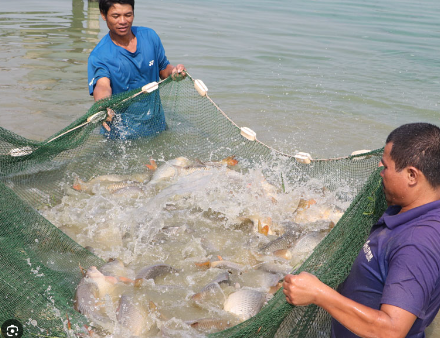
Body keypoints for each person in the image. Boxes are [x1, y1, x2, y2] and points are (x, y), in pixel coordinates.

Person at [283, 122, 440, 338]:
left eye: (385, 166)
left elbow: (391, 330)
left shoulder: (417, 244)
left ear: (412, 176)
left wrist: (319, 293)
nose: (379, 172)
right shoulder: (414, 209)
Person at [88, 0, 186, 139]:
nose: (123, 21)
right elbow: (102, 86)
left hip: (156, 125)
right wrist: (103, 106)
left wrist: (173, 72)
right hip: (121, 135)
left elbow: (163, 68)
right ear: (103, 15)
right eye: (116, 16)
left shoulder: (149, 36)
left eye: (128, 15)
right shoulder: (99, 55)